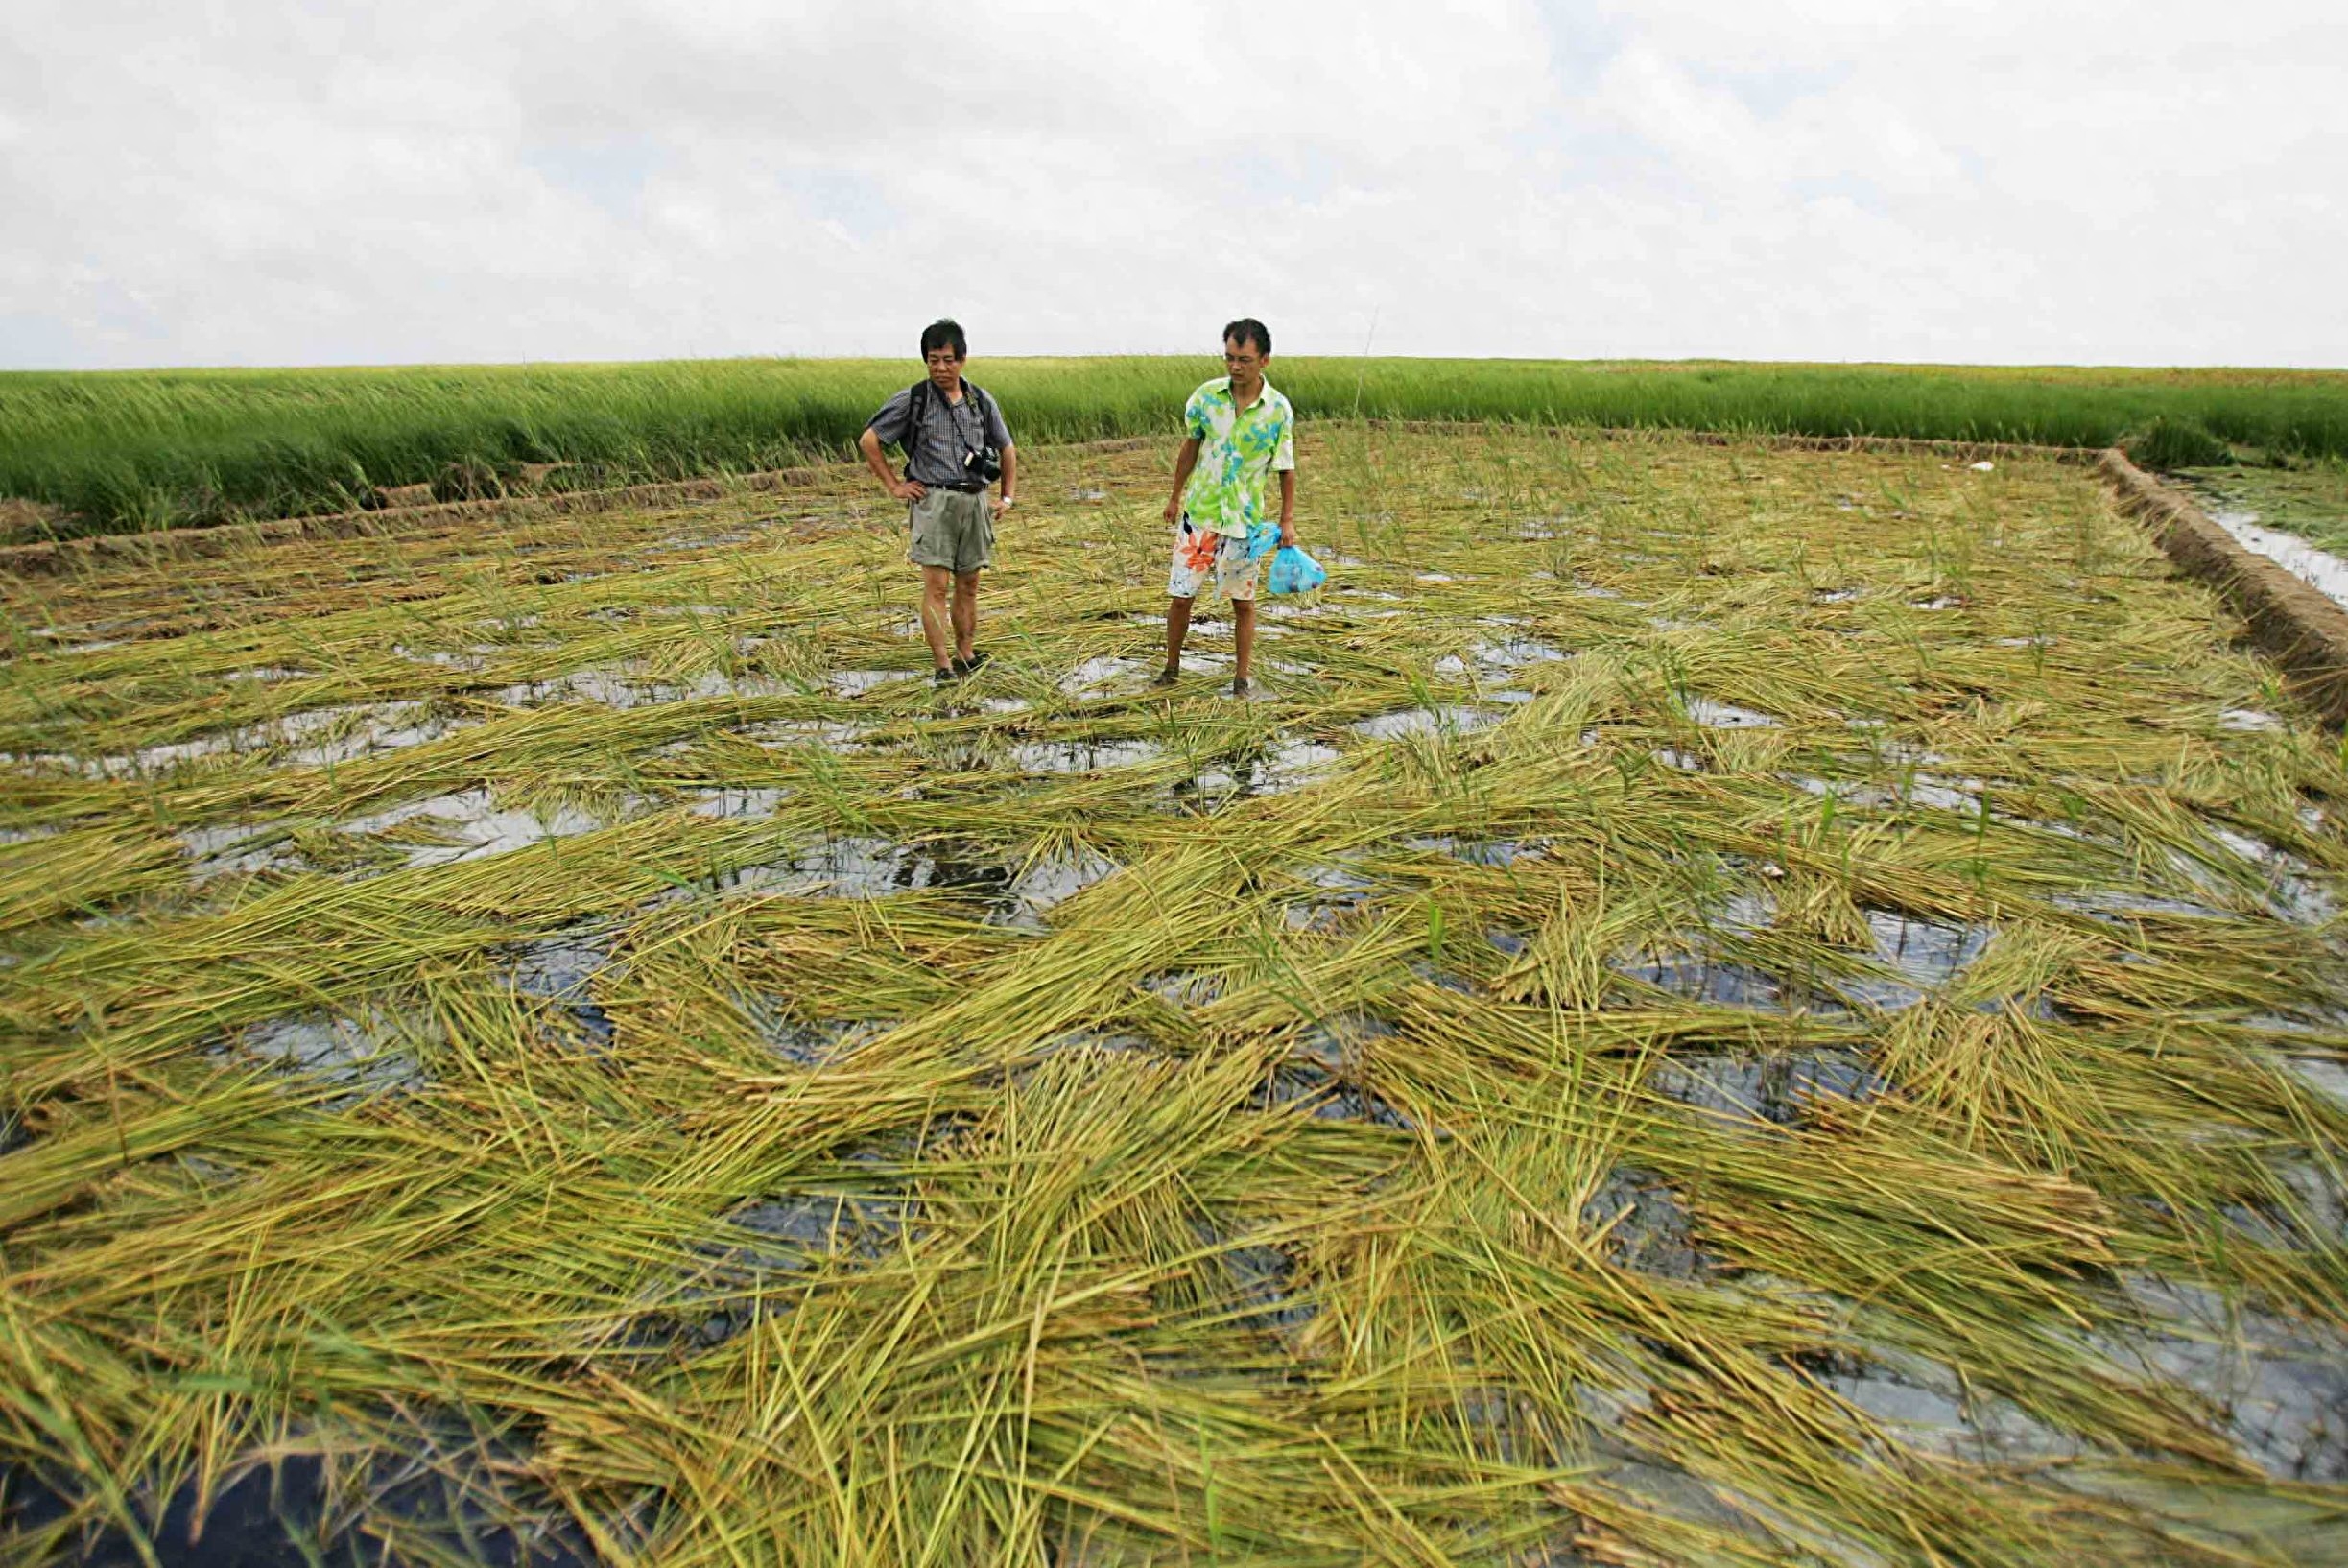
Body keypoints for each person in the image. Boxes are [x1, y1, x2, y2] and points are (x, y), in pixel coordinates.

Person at [858, 319, 1017, 685]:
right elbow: (870, 440)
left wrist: (1007, 495)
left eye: (948, 360)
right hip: (933, 500)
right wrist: (895, 485)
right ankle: (942, 664)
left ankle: (967, 654)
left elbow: (1006, 447)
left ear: (962, 359)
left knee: (970, 583)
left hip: (975, 499)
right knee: (936, 586)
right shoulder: (913, 399)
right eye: (933, 360)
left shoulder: (980, 399)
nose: (941, 368)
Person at [1157, 318, 1296, 697]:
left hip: (1244, 520)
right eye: (1230, 358)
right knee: (1182, 596)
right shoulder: (1206, 398)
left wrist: (1287, 520)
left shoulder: (1277, 410)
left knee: (1243, 602)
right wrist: (1174, 495)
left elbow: (1285, 468)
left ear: (1264, 360)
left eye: (1245, 360)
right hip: (1200, 515)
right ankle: (1171, 668)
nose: (1236, 367)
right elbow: (1190, 448)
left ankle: (1241, 677)